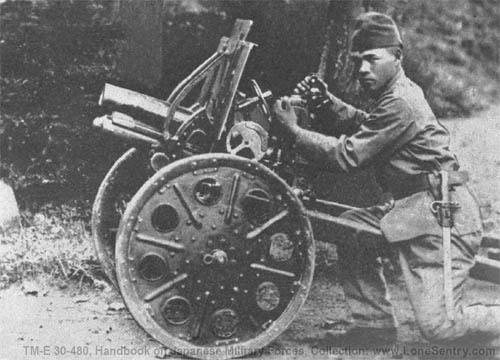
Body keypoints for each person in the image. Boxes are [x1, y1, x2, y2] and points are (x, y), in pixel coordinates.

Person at [272, 12, 500, 345]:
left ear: (397, 56)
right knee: (351, 228)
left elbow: (347, 154)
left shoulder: (401, 102)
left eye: (371, 59)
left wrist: (294, 132)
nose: (362, 69)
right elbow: (369, 125)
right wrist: (326, 104)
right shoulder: (395, 96)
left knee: (440, 328)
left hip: (443, 219)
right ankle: (372, 325)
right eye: (357, 61)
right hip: (415, 210)